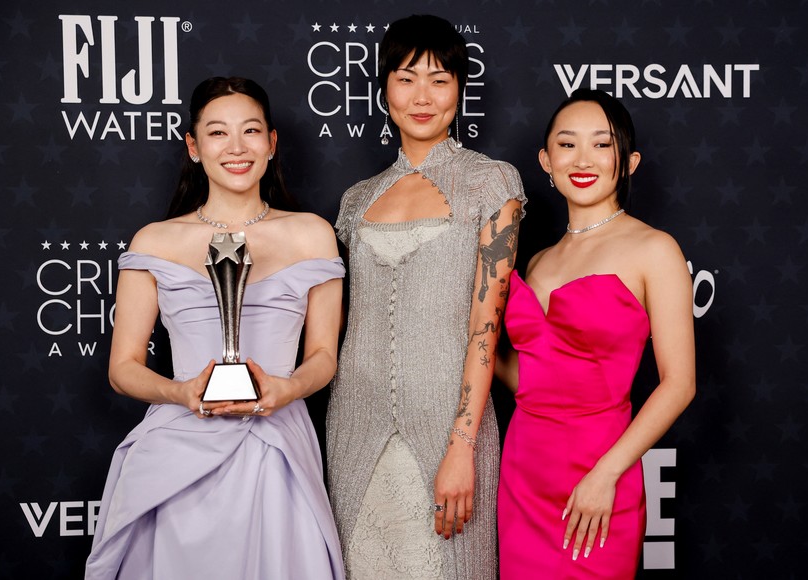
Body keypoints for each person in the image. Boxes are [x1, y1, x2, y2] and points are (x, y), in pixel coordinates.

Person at [85, 77, 345, 579]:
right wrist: (181, 392)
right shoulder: (155, 242)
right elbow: (122, 368)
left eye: (250, 131)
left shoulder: (312, 234)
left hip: (276, 446)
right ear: (193, 146)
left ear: (271, 143)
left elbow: (323, 356)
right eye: (218, 133)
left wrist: (286, 387)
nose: (236, 148)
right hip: (178, 449)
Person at [325, 14, 526, 580]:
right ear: (384, 88)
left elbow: (486, 328)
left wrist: (461, 444)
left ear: (460, 90)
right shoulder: (355, 200)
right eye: (407, 77)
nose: (422, 95)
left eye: (440, 79)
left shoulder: (493, 183)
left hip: (449, 429)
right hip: (354, 428)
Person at [496, 88, 695, 578]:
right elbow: (533, 381)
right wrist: (462, 342)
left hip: (600, 473)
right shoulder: (538, 258)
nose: (582, 159)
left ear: (629, 161)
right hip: (523, 474)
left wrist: (606, 474)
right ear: (545, 159)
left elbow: (679, 384)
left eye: (602, 145)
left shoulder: (654, 248)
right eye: (567, 145)